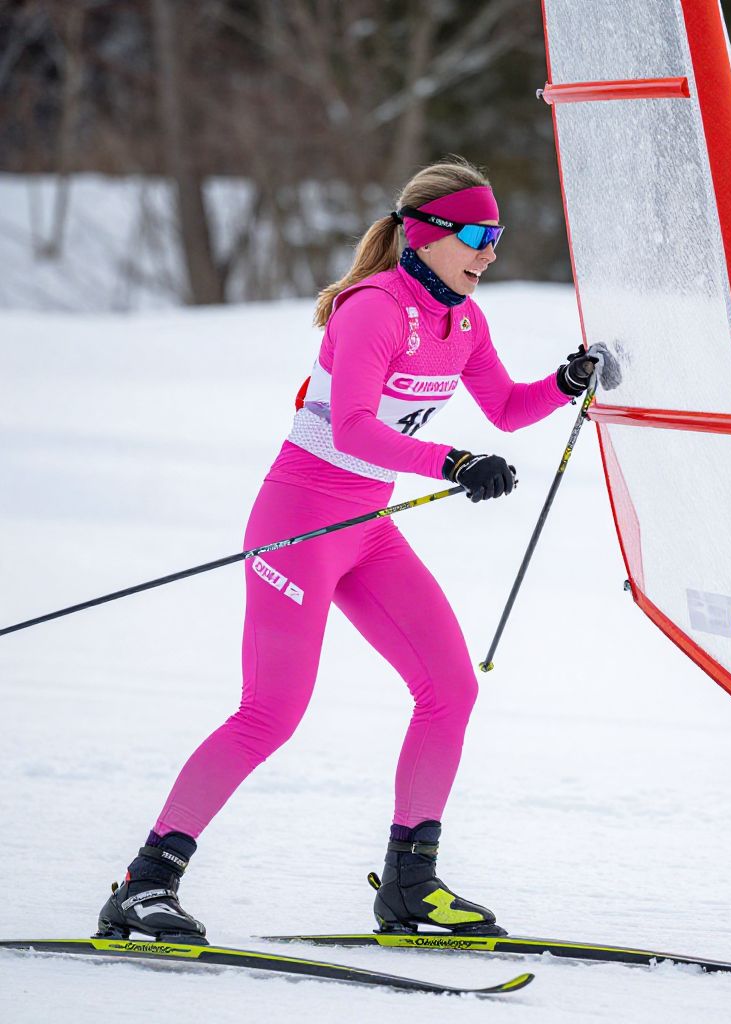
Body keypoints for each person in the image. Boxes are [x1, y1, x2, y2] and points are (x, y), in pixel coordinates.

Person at [95, 157, 601, 943]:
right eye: (477, 236)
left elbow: (504, 408)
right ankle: (144, 883)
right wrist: (453, 463)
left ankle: (410, 885)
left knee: (450, 689)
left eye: (496, 236)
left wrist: (565, 383)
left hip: (367, 529)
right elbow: (354, 428)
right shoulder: (374, 309)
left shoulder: (465, 321)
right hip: (299, 524)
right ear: (425, 235)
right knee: (269, 714)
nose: (491, 252)